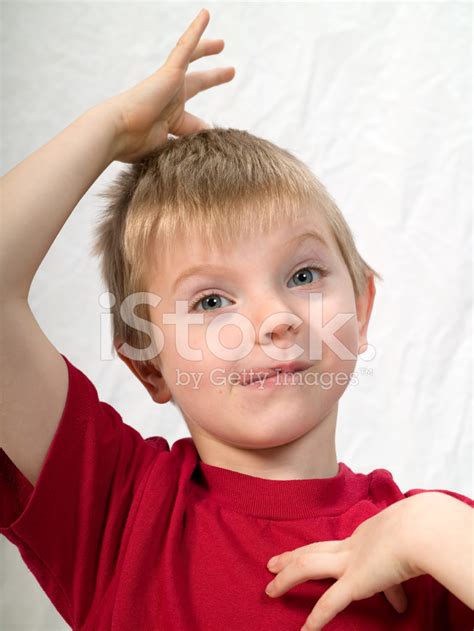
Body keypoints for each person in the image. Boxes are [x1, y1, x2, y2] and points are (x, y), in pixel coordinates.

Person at [1, 8, 472, 631]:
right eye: (211, 301)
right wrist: (112, 129)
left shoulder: (428, 548)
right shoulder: (116, 510)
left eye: (303, 277)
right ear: (148, 363)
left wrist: (437, 530)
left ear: (360, 309)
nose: (274, 318)